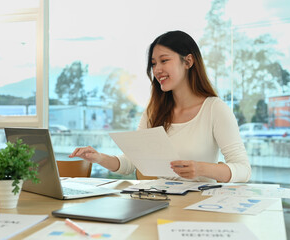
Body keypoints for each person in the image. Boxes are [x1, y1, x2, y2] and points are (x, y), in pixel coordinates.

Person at [69, 30, 251, 183]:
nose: (156, 70)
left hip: (199, 209)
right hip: (160, 204)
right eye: (154, 63)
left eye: (164, 61)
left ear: (188, 61)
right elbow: (131, 162)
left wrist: (201, 169)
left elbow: (243, 169)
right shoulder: (154, 110)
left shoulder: (215, 109)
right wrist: (99, 157)